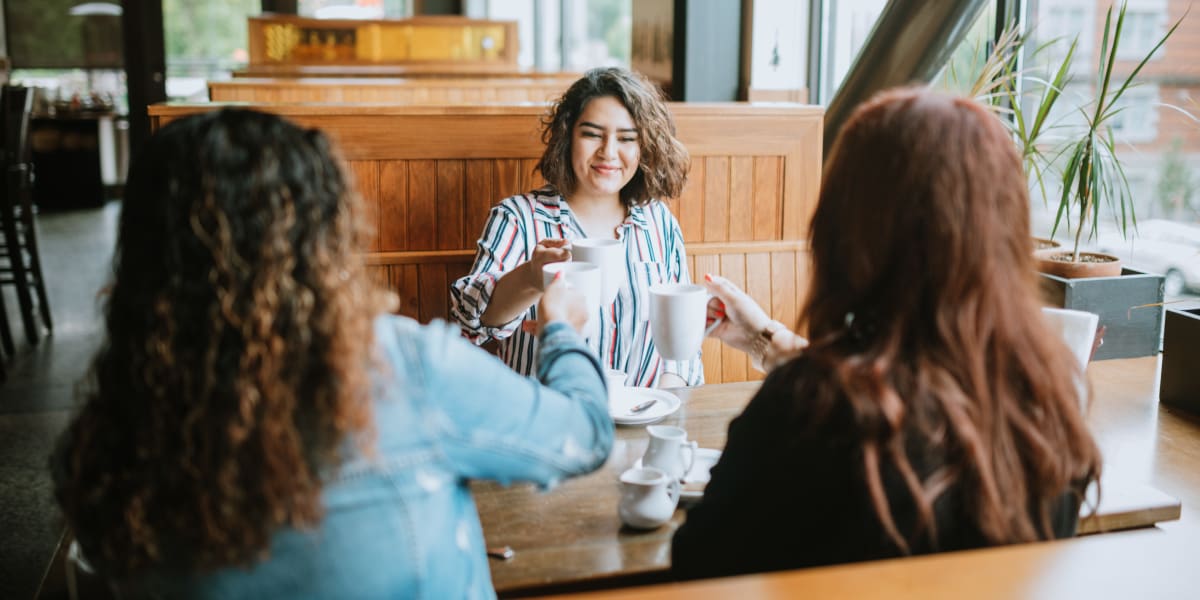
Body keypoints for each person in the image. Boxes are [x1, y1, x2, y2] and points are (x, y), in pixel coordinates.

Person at [52, 109, 614, 598]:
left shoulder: (109, 435)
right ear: (325, 237)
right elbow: (585, 435)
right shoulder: (403, 366)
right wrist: (561, 329)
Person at [671, 87, 1103, 579]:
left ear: (847, 231)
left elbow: (697, 562)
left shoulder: (807, 411)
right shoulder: (1043, 401)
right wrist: (763, 337)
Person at [450, 67, 702, 388]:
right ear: (567, 135)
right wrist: (531, 275)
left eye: (626, 138)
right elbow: (472, 322)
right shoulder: (518, 217)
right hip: (548, 420)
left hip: (643, 416)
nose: (608, 152)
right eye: (593, 134)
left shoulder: (659, 222)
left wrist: (660, 407)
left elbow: (683, 351)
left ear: (644, 148)